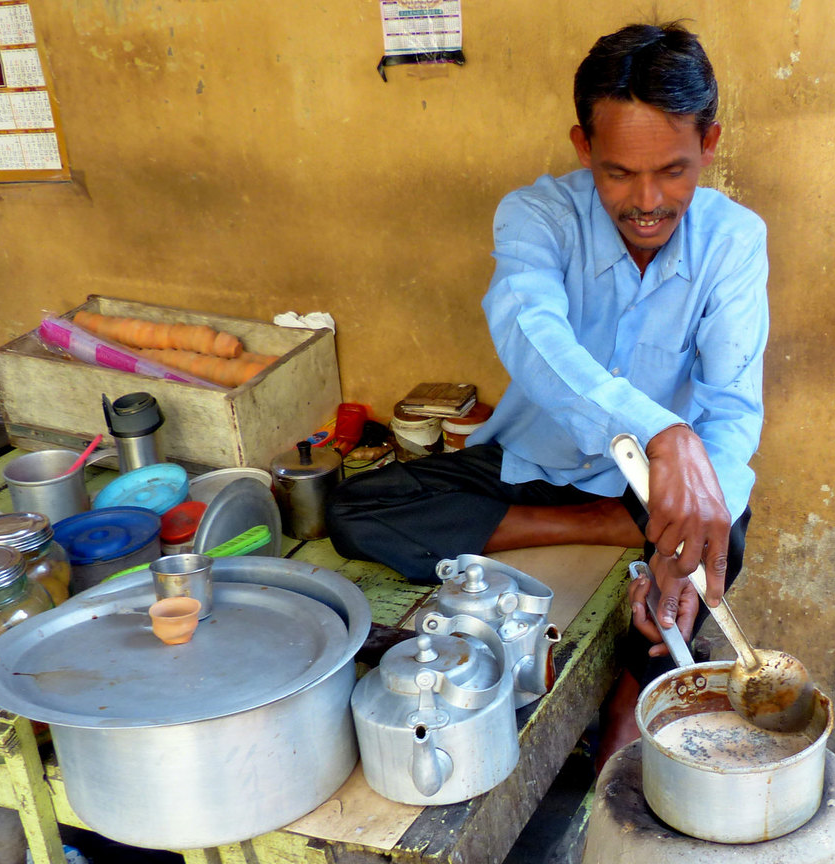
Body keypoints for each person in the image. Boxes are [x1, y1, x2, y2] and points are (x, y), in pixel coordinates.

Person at [327, 21, 767, 758]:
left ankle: (634, 698)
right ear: (583, 145)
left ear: (710, 144)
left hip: (647, 484)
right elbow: (531, 333)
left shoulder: (734, 240)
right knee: (354, 508)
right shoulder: (536, 217)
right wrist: (661, 433)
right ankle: (615, 525)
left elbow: (730, 408)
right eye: (620, 172)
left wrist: (680, 529)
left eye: (674, 170)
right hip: (535, 465)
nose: (648, 200)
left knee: (722, 527)